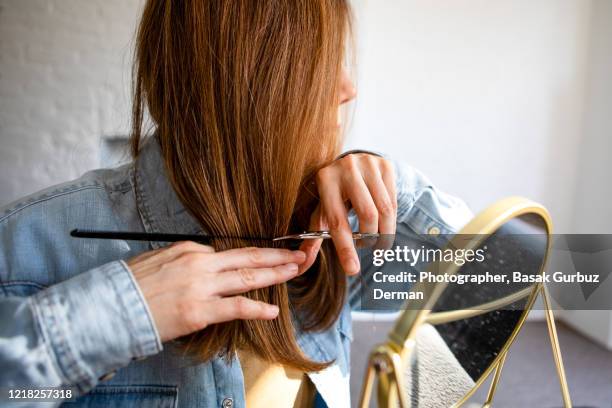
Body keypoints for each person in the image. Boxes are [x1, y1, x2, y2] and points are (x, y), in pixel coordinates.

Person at [0, 1, 472, 407]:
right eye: (318, 60)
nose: (347, 88)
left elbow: (514, 280)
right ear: (251, 85)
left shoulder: (327, 232)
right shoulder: (28, 242)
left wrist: (398, 195)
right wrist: (116, 316)